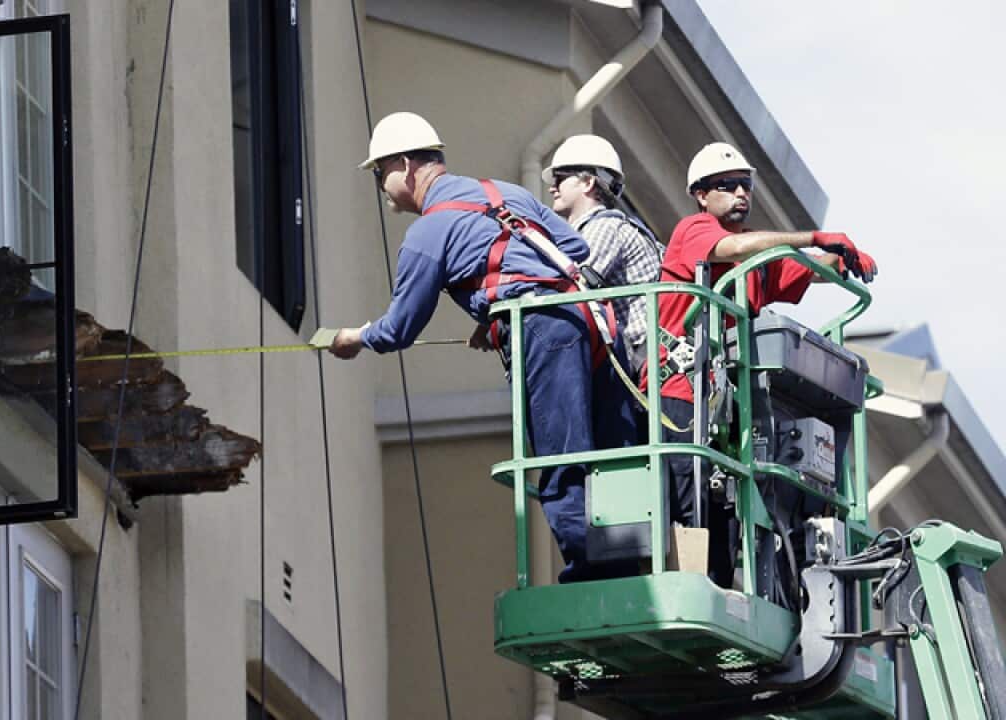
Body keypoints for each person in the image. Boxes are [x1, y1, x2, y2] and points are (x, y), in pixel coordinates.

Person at [328, 111, 637, 582]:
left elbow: (398, 330)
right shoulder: (505, 194)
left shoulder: (428, 233)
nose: (381, 186)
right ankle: (633, 559)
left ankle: (589, 573)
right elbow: (575, 250)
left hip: (540, 330)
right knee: (612, 447)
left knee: (559, 453)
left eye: (380, 172)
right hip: (586, 321)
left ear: (407, 165)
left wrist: (354, 337)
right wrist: (500, 302)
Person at [650, 141, 877, 585]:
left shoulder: (754, 262)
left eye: (746, 185)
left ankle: (718, 584)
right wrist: (812, 237)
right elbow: (733, 247)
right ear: (701, 194)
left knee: (729, 500)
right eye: (727, 186)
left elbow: (795, 268)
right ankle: (686, 584)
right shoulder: (695, 230)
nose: (740, 194)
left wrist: (839, 256)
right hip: (678, 393)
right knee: (688, 492)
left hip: (722, 403)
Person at [543, 134, 662, 373]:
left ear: (588, 183)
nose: (552, 187)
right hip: (642, 360)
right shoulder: (605, 227)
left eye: (560, 178)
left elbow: (565, 288)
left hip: (643, 360)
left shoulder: (604, 227)